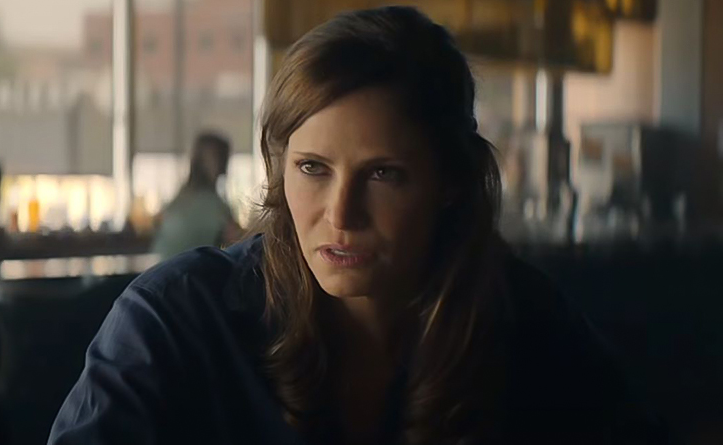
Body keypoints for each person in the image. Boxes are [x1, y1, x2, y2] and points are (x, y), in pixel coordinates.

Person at [49, 7, 668, 445]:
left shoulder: (525, 321)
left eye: (383, 174)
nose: (340, 215)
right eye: (312, 168)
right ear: (279, 168)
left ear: (451, 182)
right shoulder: (175, 321)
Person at [150, 132, 241, 259]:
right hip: (198, 270)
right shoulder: (217, 208)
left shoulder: (175, 203)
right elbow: (237, 245)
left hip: (165, 269)